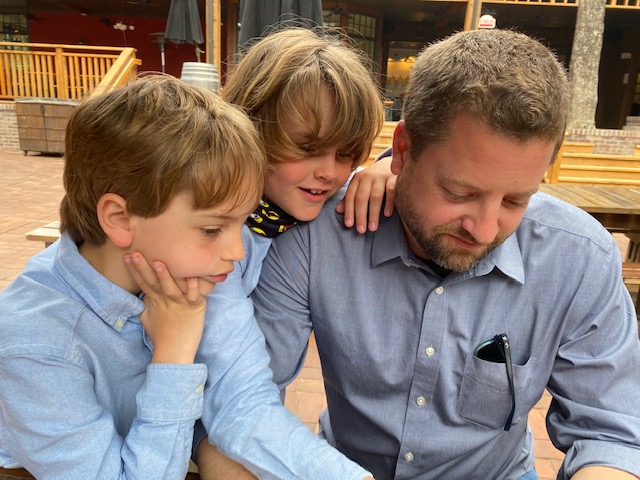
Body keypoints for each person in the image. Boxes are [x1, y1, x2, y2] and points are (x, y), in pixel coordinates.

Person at [250, 29, 640, 480]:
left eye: (516, 200)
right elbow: (250, 396)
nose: (485, 229)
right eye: (459, 193)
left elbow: (611, 433)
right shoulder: (316, 236)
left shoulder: (578, 258)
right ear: (401, 151)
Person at [123, 28, 387, 478]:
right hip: (177, 424)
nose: (329, 172)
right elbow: (235, 404)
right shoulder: (210, 239)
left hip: (238, 415)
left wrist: (384, 169)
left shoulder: (285, 200)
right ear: (250, 127)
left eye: (346, 154)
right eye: (306, 148)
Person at [0, 75, 269, 478]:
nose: (237, 252)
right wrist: (174, 354)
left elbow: (221, 411)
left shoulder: (171, 273)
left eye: (242, 223)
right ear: (120, 219)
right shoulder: (39, 348)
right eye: (212, 229)